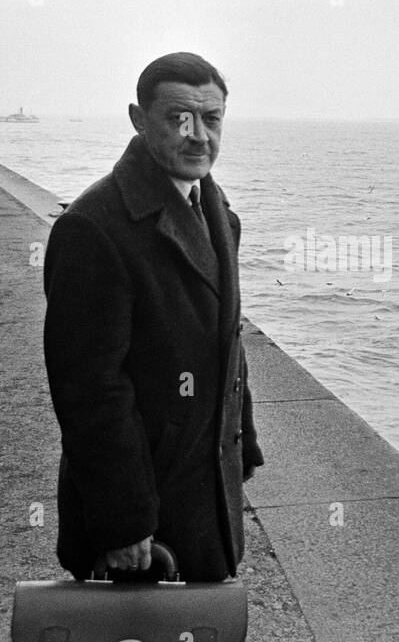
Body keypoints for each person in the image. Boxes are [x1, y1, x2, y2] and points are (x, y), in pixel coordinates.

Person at [43, 52, 264, 583]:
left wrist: (242, 444)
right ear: (139, 120)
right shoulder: (93, 228)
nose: (198, 136)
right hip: (144, 506)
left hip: (202, 478)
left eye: (211, 120)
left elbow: (225, 339)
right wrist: (122, 521)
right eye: (178, 119)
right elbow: (89, 389)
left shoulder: (215, 210)